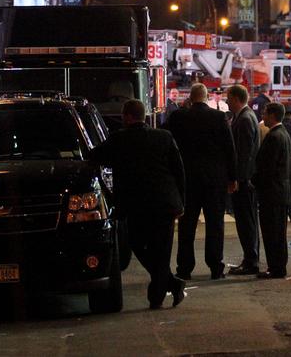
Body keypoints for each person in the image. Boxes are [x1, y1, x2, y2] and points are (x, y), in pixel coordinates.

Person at [91, 100, 186, 309]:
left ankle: (160, 295)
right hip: (164, 204)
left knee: (137, 244)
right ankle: (168, 286)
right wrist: (180, 202)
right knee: (162, 251)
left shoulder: (119, 139)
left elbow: (94, 157)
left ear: (127, 116)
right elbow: (179, 171)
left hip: (136, 205)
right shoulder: (164, 137)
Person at [167, 83, 237, 280]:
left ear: (190, 97)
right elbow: (229, 149)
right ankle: (215, 266)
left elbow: (170, 146)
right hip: (214, 180)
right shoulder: (218, 117)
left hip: (187, 179)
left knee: (186, 225)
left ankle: (184, 268)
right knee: (215, 224)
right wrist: (232, 177)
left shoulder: (179, 117)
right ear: (206, 97)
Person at [253, 102, 291, 279]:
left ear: (272, 115)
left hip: (272, 191)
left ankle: (275, 268)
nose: (262, 116)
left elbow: (267, 167)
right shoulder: (283, 134)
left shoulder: (274, 136)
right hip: (280, 190)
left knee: (272, 232)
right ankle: (278, 266)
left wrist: (255, 181)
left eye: (265, 113)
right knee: (278, 231)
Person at [226, 84, 262, 276]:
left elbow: (245, 153)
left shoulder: (245, 119)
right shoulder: (244, 117)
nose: (226, 101)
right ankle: (250, 259)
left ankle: (251, 261)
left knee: (246, 221)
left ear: (235, 98)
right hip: (245, 178)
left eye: (228, 98)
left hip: (245, 179)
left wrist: (238, 178)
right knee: (246, 221)